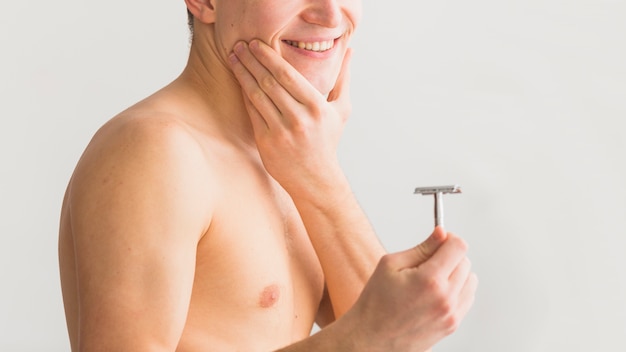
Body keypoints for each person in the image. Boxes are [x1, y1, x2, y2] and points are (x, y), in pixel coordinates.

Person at [58, 0, 478, 350]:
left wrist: (320, 176)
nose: (332, 15)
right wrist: (356, 339)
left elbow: (390, 335)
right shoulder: (156, 151)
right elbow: (369, 334)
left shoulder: (290, 152)